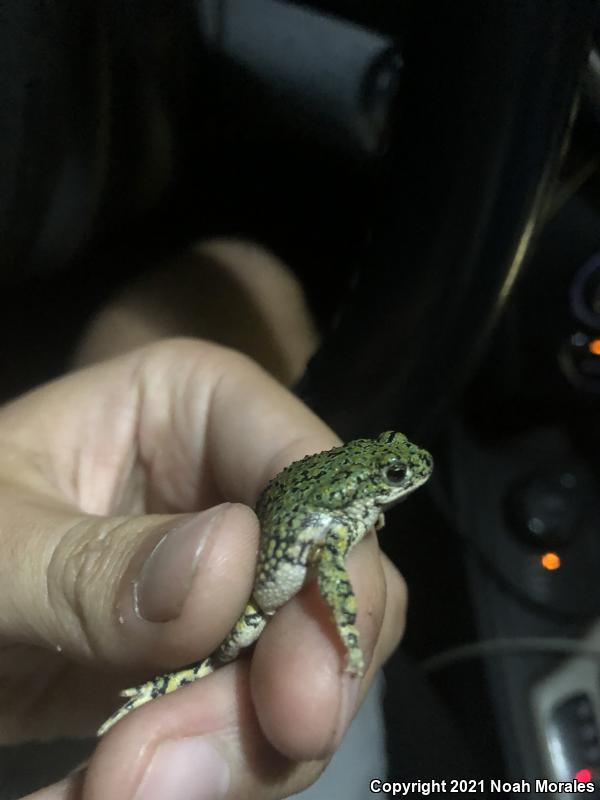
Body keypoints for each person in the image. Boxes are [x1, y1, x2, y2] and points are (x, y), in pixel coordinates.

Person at [2, 241, 407, 800]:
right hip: (248, 602)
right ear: (363, 484)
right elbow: (335, 579)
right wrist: (347, 637)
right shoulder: (337, 524)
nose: (397, 479)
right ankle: (166, 689)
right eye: (389, 473)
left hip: (259, 572)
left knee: (249, 273)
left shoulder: (347, 512)